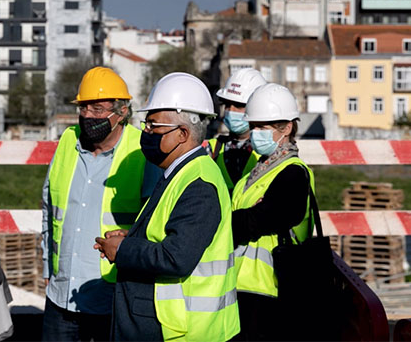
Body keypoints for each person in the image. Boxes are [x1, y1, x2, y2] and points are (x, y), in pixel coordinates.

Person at [96, 72, 240, 342]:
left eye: (153, 126)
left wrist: (124, 250)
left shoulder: (199, 184)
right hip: (168, 325)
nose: (145, 133)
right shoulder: (178, 172)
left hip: (182, 331)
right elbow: (169, 232)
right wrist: (134, 237)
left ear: (183, 134)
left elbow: (176, 257)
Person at [41, 67, 160, 341]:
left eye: (97, 109)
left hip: (113, 298)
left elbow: (154, 224)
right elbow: (49, 210)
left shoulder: (141, 151)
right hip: (61, 296)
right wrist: (48, 269)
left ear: (122, 112)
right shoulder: (67, 142)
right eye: (83, 108)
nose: (87, 116)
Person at [230, 83, 315, 342]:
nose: (255, 133)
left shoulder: (292, 173)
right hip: (241, 283)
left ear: (287, 128)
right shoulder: (258, 169)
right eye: (253, 126)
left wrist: (231, 220)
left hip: (268, 289)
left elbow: (256, 222)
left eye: (262, 127)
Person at [208, 68, 267, 194]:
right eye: (227, 105)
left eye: (238, 105)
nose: (230, 110)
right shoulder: (213, 149)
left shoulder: (268, 149)